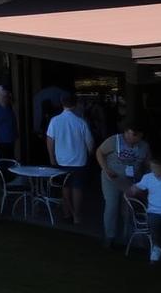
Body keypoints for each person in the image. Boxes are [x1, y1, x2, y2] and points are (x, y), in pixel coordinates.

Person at [98, 120, 149, 247]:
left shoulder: (144, 146)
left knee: (128, 208)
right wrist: (106, 169)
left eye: (138, 135)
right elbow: (99, 152)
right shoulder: (113, 140)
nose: (135, 138)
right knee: (112, 205)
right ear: (126, 132)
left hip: (131, 182)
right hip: (112, 179)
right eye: (133, 134)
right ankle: (109, 237)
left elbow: (148, 164)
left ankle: (127, 237)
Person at [47, 93, 95, 225]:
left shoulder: (55, 121)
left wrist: (52, 157)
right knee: (77, 188)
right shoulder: (81, 122)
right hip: (79, 160)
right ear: (75, 104)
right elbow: (90, 143)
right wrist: (90, 153)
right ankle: (77, 215)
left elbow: (50, 140)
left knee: (65, 186)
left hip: (61, 160)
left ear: (62, 103)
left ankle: (67, 212)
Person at [128, 153, 161, 263]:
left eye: (157, 168)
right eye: (153, 168)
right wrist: (132, 190)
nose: (155, 171)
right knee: (154, 225)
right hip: (154, 211)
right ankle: (157, 248)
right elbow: (137, 187)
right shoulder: (148, 178)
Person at [0, 84, 18, 161]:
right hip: (1, 142)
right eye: (5, 95)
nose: (7, 97)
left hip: (11, 140)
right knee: (3, 162)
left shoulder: (9, 108)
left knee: (11, 160)